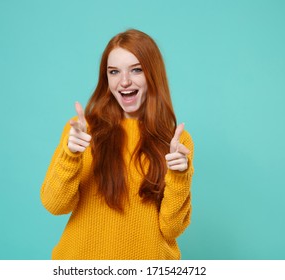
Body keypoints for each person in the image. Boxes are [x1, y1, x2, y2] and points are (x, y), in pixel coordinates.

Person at [40, 29, 194, 260]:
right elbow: (55, 205)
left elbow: (171, 229)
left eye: (136, 70)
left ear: (153, 74)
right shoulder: (82, 131)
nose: (124, 81)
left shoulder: (176, 141)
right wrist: (70, 155)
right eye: (114, 72)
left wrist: (180, 176)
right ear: (106, 78)